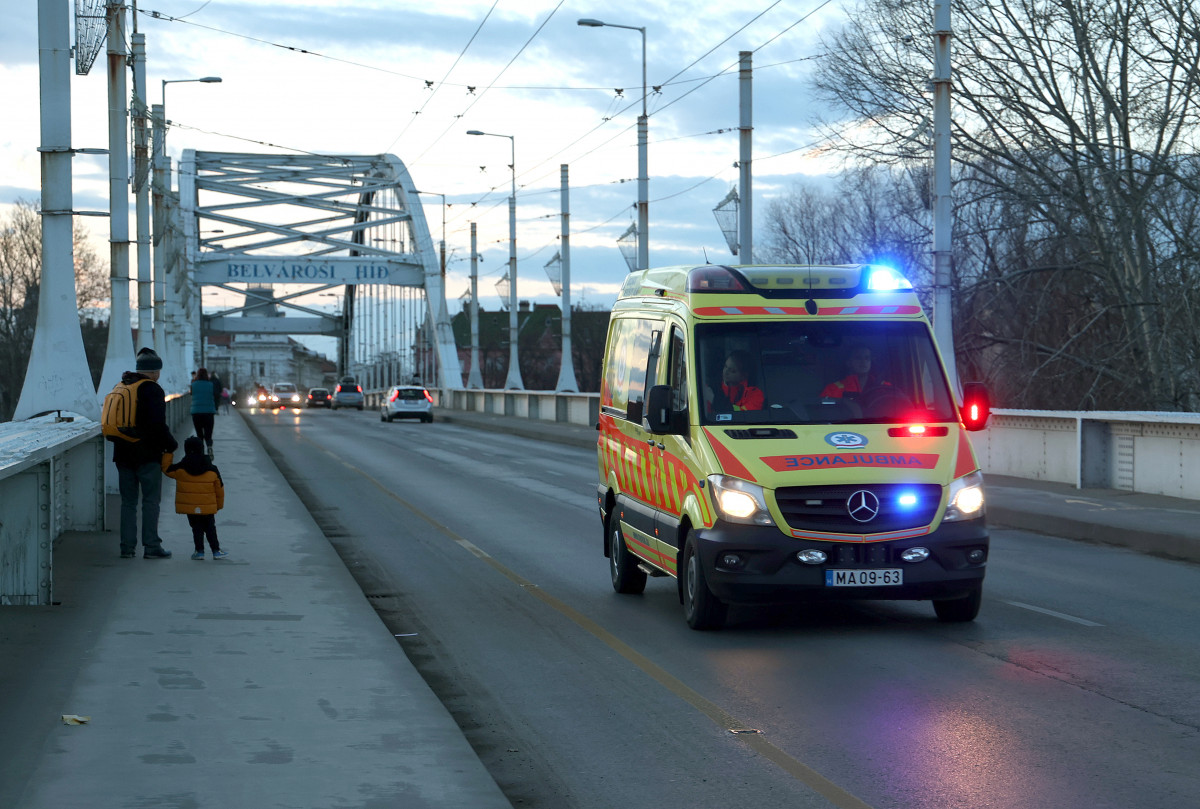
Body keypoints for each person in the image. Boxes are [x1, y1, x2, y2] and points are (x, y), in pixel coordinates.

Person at [113, 347, 178, 559]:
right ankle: (151, 546)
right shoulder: (153, 390)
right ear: (155, 371)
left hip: (123, 454)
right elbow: (157, 425)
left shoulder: (121, 386)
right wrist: (171, 444)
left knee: (128, 502)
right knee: (150, 501)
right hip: (147, 455)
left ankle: (127, 548)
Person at [162, 436, 228, 560]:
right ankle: (216, 550)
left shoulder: (180, 469)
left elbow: (166, 469)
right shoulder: (212, 469)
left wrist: (168, 453)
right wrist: (218, 506)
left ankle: (199, 551)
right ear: (201, 449)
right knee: (210, 527)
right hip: (208, 506)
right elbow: (220, 489)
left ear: (186, 450)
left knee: (196, 527)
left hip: (191, 506)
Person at [822, 345, 891, 399]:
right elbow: (825, 411)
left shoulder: (885, 387)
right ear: (848, 363)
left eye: (867, 358)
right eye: (858, 358)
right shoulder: (832, 389)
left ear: (871, 362)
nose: (863, 362)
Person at [190, 368, 217, 457]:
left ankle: (200, 452)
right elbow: (215, 394)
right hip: (209, 412)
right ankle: (209, 447)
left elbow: (191, 393)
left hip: (196, 413)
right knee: (208, 432)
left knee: (199, 434)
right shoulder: (211, 384)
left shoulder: (193, 384)